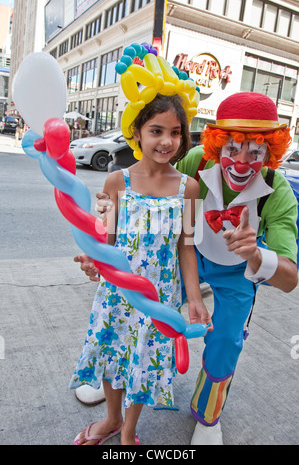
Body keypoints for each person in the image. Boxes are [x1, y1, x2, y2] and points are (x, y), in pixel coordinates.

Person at [90, 91, 298, 445]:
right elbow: (156, 187)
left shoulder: (276, 193)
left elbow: (290, 279)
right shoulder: (197, 163)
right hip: (187, 254)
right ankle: (113, 379)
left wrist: (256, 255)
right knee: (138, 310)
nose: (243, 162)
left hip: (237, 270)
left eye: (256, 151)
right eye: (233, 148)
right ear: (217, 145)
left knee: (226, 340)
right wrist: (110, 213)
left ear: (271, 151)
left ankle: (207, 413)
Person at [70, 92, 213, 446]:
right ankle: (112, 418)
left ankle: (129, 432)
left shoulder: (189, 188)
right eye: (156, 130)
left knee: (143, 361)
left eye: (176, 132)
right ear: (136, 132)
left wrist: (193, 298)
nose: (167, 141)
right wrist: (92, 260)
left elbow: (187, 245)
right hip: (117, 294)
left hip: (160, 298)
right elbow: (104, 237)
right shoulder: (116, 183)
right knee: (112, 352)